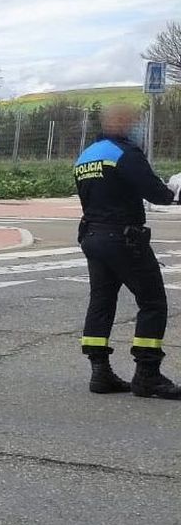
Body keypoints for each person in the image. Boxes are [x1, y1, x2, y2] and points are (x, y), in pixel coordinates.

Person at [74, 103, 179, 398]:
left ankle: (100, 372)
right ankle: (148, 374)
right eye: (134, 122)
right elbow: (158, 195)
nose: (138, 128)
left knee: (102, 301)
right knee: (153, 302)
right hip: (123, 237)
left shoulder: (86, 156)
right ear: (121, 124)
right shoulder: (124, 153)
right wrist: (172, 189)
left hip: (93, 235)